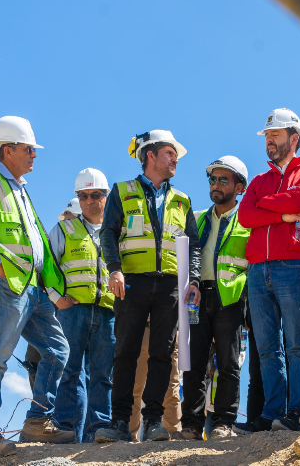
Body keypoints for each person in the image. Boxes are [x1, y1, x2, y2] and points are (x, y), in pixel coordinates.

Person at [0, 116, 73, 455]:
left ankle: (37, 422)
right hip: (8, 284)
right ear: (8, 150)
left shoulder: (21, 190)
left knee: (57, 351)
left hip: (32, 287)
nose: (34, 155)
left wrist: (50, 287)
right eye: (28, 149)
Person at [95, 130, 201, 443]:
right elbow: (108, 234)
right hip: (132, 284)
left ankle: (154, 423)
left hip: (170, 285)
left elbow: (192, 244)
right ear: (150, 156)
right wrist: (114, 270)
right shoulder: (122, 191)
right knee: (125, 353)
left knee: (162, 354)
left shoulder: (182, 200)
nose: (175, 159)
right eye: (169, 153)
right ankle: (119, 423)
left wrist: (192, 279)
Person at [233, 109, 300, 434]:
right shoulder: (259, 181)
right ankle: (271, 415)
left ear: (294, 138)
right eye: (267, 136)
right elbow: (245, 217)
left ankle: (297, 413)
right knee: (267, 348)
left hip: (294, 267)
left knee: (297, 345)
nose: (269, 140)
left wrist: (266, 206)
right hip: (258, 271)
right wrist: (285, 215)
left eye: (275, 134)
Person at [174, 156, 251, 440]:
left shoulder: (248, 221)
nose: (215, 185)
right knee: (193, 364)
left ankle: (223, 423)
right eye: (212, 179)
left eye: (223, 180)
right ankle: (191, 426)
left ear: (239, 187)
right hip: (197, 296)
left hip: (230, 299)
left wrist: (249, 309)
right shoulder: (197, 219)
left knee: (228, 364)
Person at [49, 168, 116, 443]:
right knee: (69, 372)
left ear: (106, 196)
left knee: (102, 375)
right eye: (83, 195)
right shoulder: (64, 229)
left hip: (108, 312)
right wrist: (57, 299)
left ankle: (99, 431)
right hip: (72, 311)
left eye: (96, 195)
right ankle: (65, 429)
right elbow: (46, 269)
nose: (89, 200)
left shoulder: (118, 232)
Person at [244, 256, 300, 423]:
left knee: (294, 353)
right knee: (260, 366)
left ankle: (295, 415)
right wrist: (247, 312)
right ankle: (263, 418)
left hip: (298, 301)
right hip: (263, 298)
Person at [129, 323, 182, 440]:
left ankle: (174, 436)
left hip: (167, 330)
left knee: (170, 389)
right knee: (135, 388)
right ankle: (130, 436)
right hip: (144, 328)